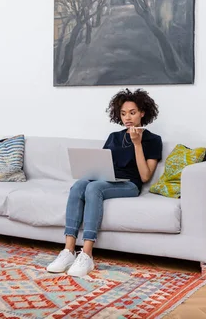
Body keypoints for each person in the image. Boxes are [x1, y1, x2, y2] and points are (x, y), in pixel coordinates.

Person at [47, 88, 162, 277]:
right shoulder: (114, 137)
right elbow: (101, 165)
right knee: (79, 185)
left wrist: (137, 143)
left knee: (93, 188)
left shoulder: (153, 140)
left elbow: (144, 176)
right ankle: (68, 251)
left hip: (130, 184)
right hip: (108, 179)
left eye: (132, 113)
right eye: (123, 113)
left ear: (143, 112)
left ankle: (87, 254)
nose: (128, 118)